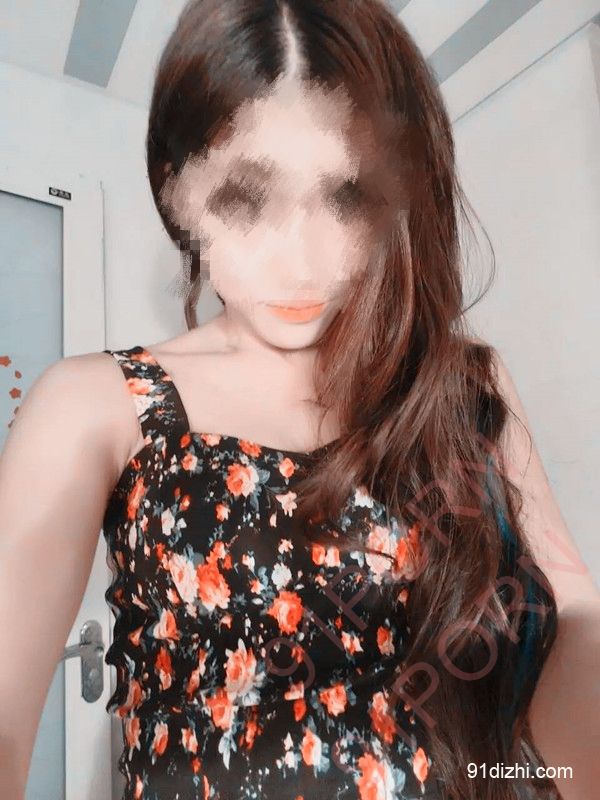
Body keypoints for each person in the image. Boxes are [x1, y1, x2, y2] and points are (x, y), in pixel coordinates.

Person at [1, 1, 599, 799]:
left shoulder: (461, 387)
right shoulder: (96, 405)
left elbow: (571, 623)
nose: (301, 259)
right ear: (177, 192)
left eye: (346, 196)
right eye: (247, 199)